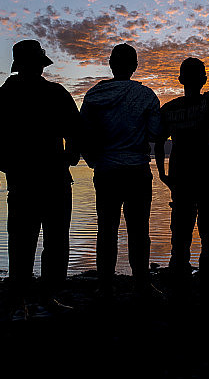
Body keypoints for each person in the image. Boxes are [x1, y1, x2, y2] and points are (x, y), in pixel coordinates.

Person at [154, 11, 209, 293]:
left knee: (181, 228)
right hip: (207, 173)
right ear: (203, 79)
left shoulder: (170, 108)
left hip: (180, 173)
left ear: (181, 80)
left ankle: (180, 276)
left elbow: (157, 141)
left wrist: (163, 173)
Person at [0, 40, 81, 296]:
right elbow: (76, 131)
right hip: (51, 181)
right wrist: (68, 158)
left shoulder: (1, 96)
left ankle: (24, 301)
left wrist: (9, 166)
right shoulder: (54, 93)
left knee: (23, 244)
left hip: (27, 182)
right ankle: (46, 297)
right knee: (54, 243)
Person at [81, 43, 162, 297]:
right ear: (135, 66)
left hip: (106, 170)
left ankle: (105, 286)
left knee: (106, 230)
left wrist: (94, 161)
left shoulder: (94, 95)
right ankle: (142, 284)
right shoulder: (147, 96)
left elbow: (83, 134)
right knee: (139, 230)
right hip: (137, 170)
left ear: (111, 65)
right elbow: (155, 133)